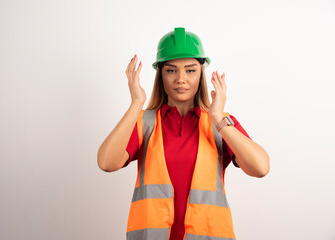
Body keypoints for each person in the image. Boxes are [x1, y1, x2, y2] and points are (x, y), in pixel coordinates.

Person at [97, 27, 270, 240]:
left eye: (190, 70)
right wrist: (136, 104)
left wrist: (218, 120)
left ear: (201, 74)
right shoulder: (144, 122)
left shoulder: (222, 123)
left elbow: (260, 168)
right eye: (171, 70)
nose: (181, 79)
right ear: (160, 74)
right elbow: (106, 162)